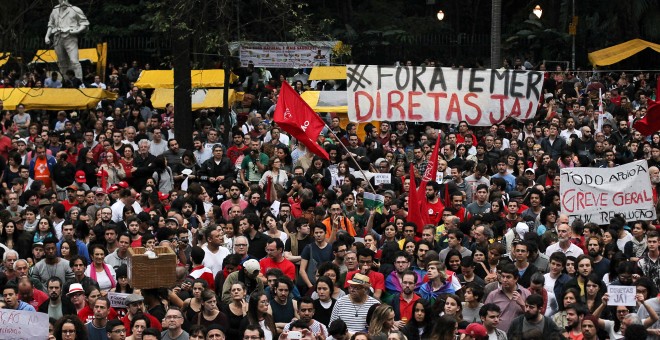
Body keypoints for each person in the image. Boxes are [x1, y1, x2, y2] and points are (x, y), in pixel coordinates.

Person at [45, 0, 90, 79]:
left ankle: (79, 81)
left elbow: (84, 23)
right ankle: (66, 81)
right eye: (61, 0)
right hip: (57, 38)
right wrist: (47, 36)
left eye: (65, 0)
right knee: (61, 62)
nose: (63, 2)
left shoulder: (75, 9)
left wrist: (77, 30)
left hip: (70, 37)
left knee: (74, 61)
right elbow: (50, 24)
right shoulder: (55, 10)